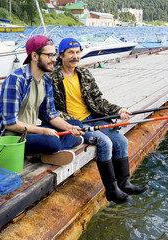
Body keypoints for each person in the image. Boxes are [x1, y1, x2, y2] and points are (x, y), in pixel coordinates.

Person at [50, 38, 148, 204]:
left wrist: (118, 110)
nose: (75, 56)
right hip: (76, 124)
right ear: (61, 55)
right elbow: (51, 109)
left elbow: (98, 100)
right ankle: (111, 191)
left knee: (122, 141)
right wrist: (69, 124)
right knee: (105, 143)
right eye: (70, 53)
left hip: (93, 118)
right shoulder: (52, 78)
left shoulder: (85, 74)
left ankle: (124, 184)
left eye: (77, 52)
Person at [0, 35, 84, 166]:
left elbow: (51, 115)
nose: (54, 60)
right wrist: (44, 131)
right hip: (11, 137)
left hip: (30, 131)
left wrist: (70, 128)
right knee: (52, 141)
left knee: (76, 123)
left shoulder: (46, 80)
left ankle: (51, 152)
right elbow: (10, 124)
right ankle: (56, 148)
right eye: (49, 55)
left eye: (54, 55)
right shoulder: (16, 79)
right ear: (34, 56)